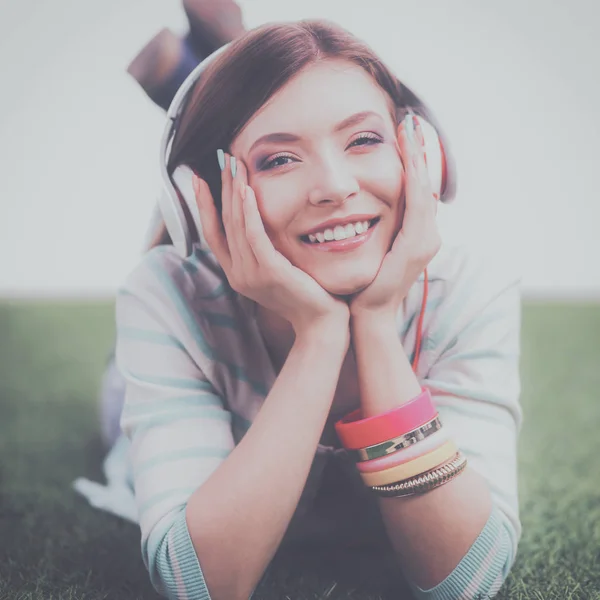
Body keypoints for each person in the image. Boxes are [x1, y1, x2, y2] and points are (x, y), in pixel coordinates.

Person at [77, 19, 523, 600]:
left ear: (421, 156)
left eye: (363, 140)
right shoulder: (167, 298)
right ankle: (212, 72)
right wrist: (318, 335)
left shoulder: (470, 288)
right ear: (200, 199)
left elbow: (470, 581)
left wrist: (375, 325)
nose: (336, 187)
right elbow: (199, 584)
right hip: (173, 359)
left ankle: (215, 66)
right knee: (117, 406)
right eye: (279, 159)